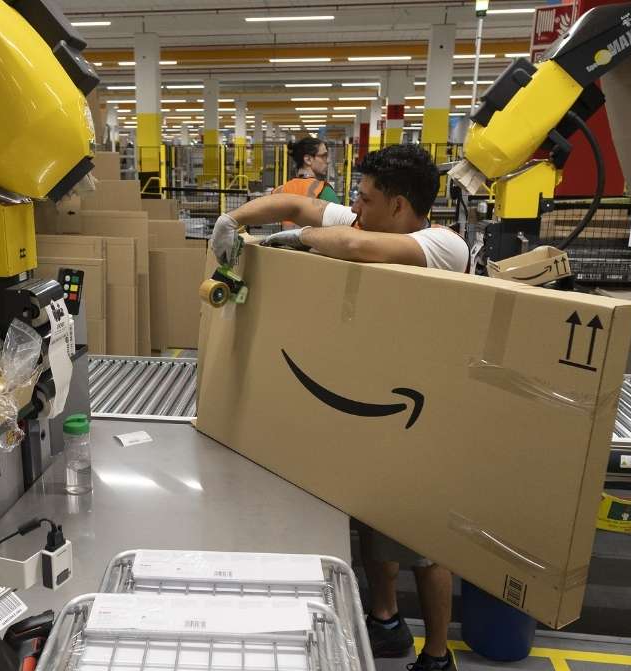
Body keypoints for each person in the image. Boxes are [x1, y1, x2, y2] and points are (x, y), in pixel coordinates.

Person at [211, 145, 467, 671]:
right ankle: (386, 621)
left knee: (424, 543)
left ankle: (438, 656)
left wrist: (292, 240)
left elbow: (348, 242)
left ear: (398, 207)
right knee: (375, 521)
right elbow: (299, 206)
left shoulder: (442, 246)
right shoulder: (367, 220)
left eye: (366, 198)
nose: (354, 205)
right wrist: (231, 218)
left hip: (423, 410)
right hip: (374, 400)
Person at [274, 138, 341, 227]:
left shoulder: (280, 191)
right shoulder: (323, 191)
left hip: (285, 240)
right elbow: (341, 227)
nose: (328, 161)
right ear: (308, 159)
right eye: (324, 156)